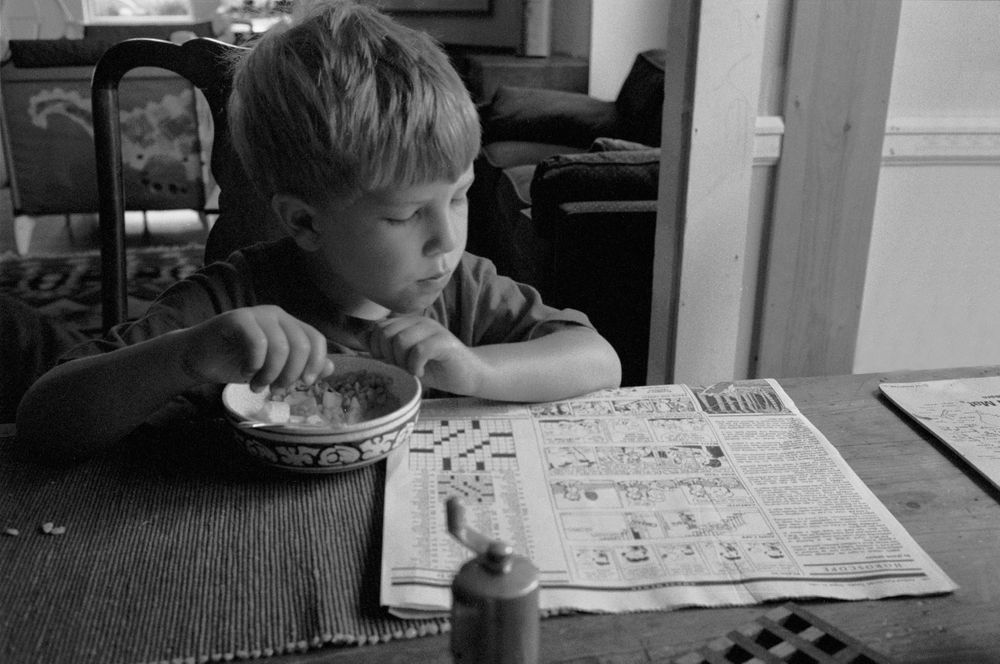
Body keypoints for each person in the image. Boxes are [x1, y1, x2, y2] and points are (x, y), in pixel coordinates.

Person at [15, 0, 621, 462]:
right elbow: (43, 419)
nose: (447, 240)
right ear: (304, 221)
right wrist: (188, 356)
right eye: (404, 215)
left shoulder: (463, 289)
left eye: (458, 197)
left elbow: (599, 361)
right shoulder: (230, 305)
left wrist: (476, 370)